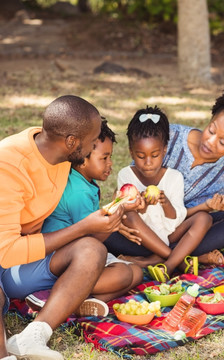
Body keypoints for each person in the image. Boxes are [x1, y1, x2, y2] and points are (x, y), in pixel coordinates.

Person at [0, 95, 125, 360]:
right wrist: (82, 227)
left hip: (20, 248)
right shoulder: (8, 164)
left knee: (92, 250)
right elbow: (7, 251)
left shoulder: (60, 155)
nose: (95, 145)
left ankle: (33, 336)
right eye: (92, 141)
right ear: (71, 142)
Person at [105, 89, 224, 266]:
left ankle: (155, 258)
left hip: (176, 228)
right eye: (211, 130)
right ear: (211, 119)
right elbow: (127, 185)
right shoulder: (167, 136)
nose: (210, 142)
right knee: (106, 233)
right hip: (140, 230)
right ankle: (181, 258)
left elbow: (184, 217)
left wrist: (207, 207)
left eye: (223, 142)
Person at [27, 119, 142, 315]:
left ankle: (83, 304)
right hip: (65, 259)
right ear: (83, 159)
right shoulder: (78, 191)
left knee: (137, 273)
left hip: (78, 251)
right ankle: (56, 295)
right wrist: (121, 211)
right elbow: (93, 239)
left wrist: (119, 206)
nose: (110, 164)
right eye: (104, 158)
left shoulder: (80, 181)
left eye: (110, 157)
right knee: (124, 274)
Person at [105, 106, 213, 281]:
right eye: (140, 156)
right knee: (128, 215)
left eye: (154, 155)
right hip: (141, 238)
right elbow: (123, 212)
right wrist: (141, 206)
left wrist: (165, 203)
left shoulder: (174, 177)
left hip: (170, 234)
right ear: (131, 152)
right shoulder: (126, 175)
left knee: (204, 218)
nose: (148, 163)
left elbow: (177, 218)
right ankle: (177, 261)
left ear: (164, 150)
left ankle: (163, 264)